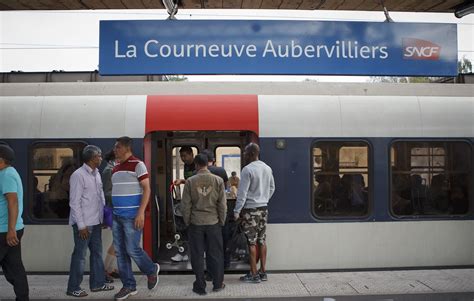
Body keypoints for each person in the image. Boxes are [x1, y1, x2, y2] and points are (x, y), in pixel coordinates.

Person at [111, 136, 159, 300]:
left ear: (126, 148)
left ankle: (151, 270)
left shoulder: (138, 165)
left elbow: (147, 189)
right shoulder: (116, 167)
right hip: (117, 216)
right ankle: (128, 286)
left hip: (132, 216)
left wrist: (141, 213)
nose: (115, 150)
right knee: (120, 252)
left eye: (117, 147)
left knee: (132, 249)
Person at [66, 145, 114, 297]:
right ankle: (73, 287)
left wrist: (102, 218)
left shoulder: (96, 174)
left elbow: (99, 198)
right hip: (84, 224)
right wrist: (81, 225)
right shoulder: (78, 175)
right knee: (80, 256)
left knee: (96, 254)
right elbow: (74, 202)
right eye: (99, 156)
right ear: (92, 158)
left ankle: (97, 283)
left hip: (95, 222)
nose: (101, 158)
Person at [181, 154, 227, 295]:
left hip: (196, 223)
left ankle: (200, 287)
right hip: (213, 223)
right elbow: (222, 205)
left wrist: (187, 221)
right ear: (208, 163)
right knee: (216, 254)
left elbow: (185, 205)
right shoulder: (218, 180)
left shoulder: (190, 181)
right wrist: (222, 220)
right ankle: (218, 284)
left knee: (197, 255)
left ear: (196, 165)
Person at [234, 143, 275, 283]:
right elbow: (272, 187)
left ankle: (254, 274)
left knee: (251, 243)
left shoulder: (247, 170)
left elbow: (242, 193)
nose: (244, 154)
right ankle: (263, 272)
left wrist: (236, 211)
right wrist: (263, 199)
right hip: (264, 209)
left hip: (250, 211)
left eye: (245, 152)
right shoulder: (267, 168)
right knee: (262, 240)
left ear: (250, 154)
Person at [0, 145, 29, 301]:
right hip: (9, 229)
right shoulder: (7, 172)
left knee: (15, 269)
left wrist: (11, 230)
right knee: (14, 268)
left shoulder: (6, 175)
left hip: (4, 230)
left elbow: (13, 202)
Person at [170, 146, 195, 262]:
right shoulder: (186, 166)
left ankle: (190, 252)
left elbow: (195, 181)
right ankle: (184, 251)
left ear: (191, 154)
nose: (183, 159)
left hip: (196, 202)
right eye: (181, 156)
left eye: (185, 155)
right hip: (188, 199)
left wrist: (182, 181)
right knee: (183, 227)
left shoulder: (197, 165)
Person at [101, 150, 119, 280]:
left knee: (118, 241)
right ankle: (106, 269)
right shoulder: (109, 171)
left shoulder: (112, 169)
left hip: (115, 209)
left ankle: (110, 268)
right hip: (113, 209)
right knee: (117, 242)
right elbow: (107, 192)